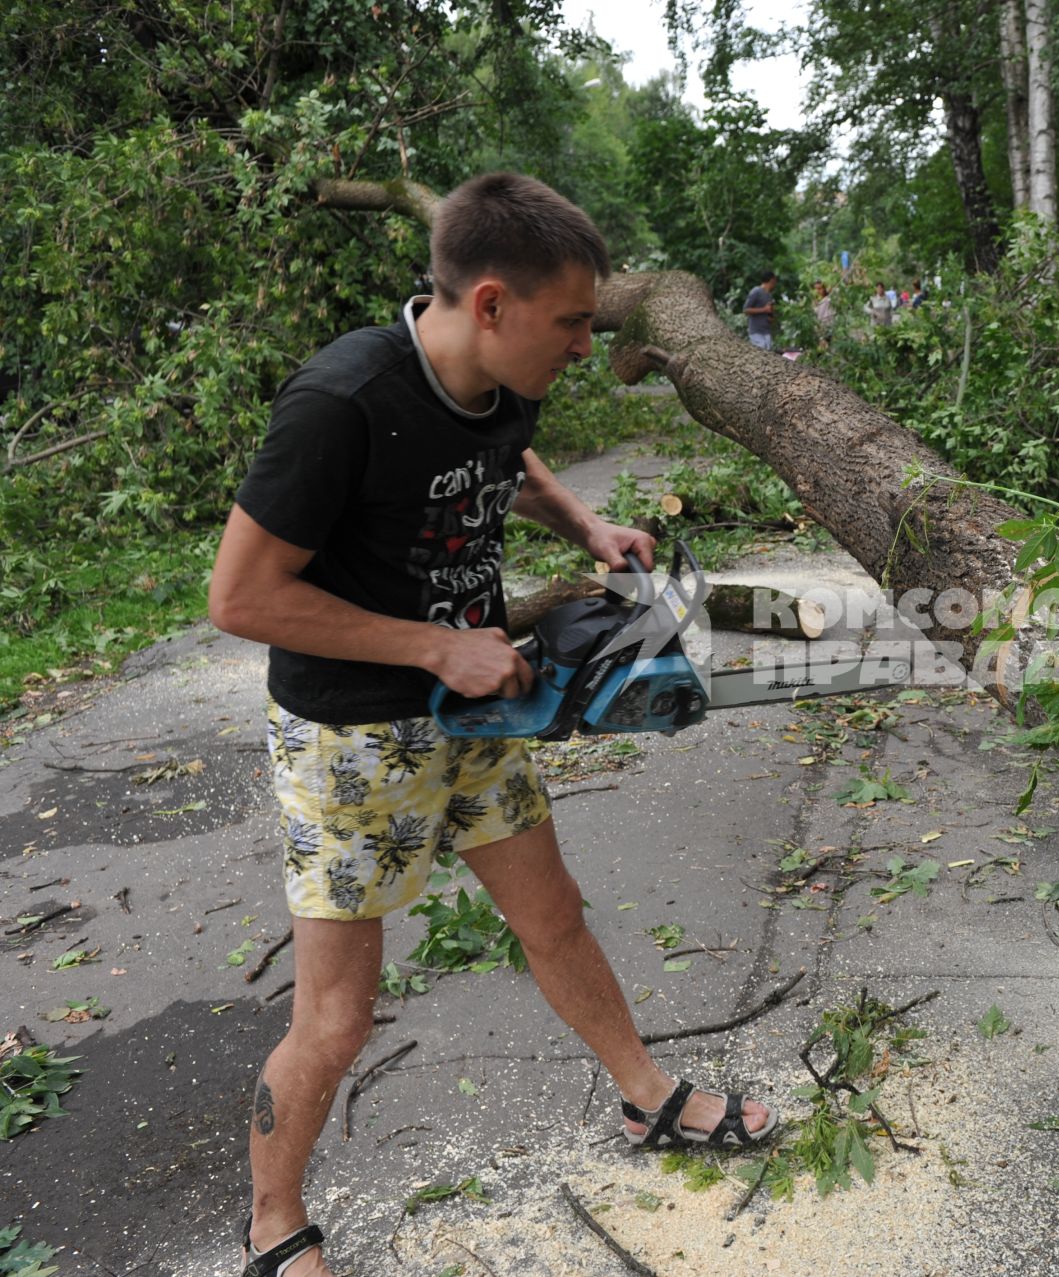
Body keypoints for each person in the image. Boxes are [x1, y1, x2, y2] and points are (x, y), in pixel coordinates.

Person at [208, 172, 778, 1277]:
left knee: (553, 914)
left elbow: (497, 454)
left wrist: (582, 519)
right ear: (487, 303)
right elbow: (238, 598)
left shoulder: (505, 375)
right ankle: (273, 1223)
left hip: (476, 712)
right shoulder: (340, 403)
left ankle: (646, 1099)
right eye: (569, 322)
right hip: (352, 740)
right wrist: (434, 644)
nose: (583, 346)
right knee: (336, 1015)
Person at [743, 269, 777, 350]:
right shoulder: (756, 291)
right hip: (756, 331)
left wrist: (771, 315)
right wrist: (764, 309)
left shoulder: (769, 296)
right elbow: (746, 310)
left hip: (766, 331)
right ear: (772, 280)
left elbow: (770, 314)